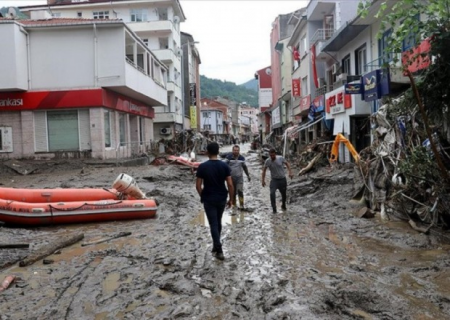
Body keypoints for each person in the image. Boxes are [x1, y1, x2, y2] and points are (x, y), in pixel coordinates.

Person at [196, 142, 234, 260]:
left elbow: (198, 186)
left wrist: (204, 195)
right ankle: (216, 246)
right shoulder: (224, 166)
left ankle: (218, 248)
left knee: (213, 223)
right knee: (218, 221)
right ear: (218, 152)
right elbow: (230, 184)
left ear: (207, 152)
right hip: (222, 197)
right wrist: (231, 199)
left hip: (209, 198)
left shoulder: (202, 167)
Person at [261, 149, 293, 213]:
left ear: (275, 154)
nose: (272, 157)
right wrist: (263, 180)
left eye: (273, 155)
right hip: (274, 180)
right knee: (272, 193)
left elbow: (287, 164)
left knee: (283, 194)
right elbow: (264, 170)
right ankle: (274, 209)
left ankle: (283, 205)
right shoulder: (268, 161)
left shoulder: (280, 158)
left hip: (282, 179)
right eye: (270, 155)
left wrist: (290, 172)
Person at [225, 145, 251, 211]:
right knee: (232, 192)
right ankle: (234, 205)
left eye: (237, 150)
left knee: (240, 191)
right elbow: (224, 167)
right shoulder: (228, 158)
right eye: (234, 150)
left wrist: (248, 175)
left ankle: (241, 205)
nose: (236, 152)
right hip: (231, 178)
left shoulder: (242, 158)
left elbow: (245, 167)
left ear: (239, 151)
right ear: (232, 151)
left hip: (239, 178)